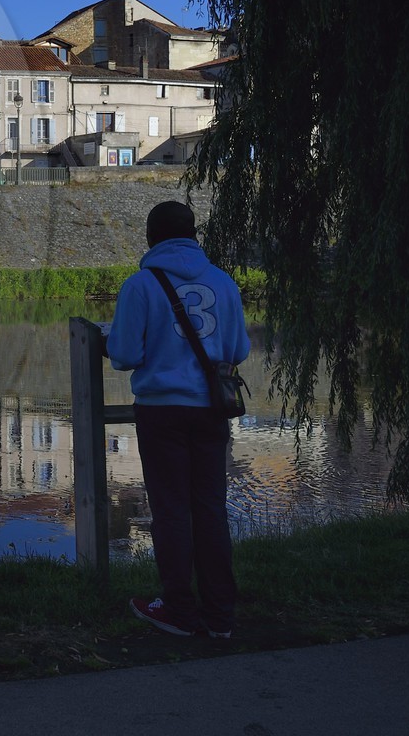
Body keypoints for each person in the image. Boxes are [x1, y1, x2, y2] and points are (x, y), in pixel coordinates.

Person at [106, 200, 250, 638]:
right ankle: (221, 615)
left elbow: (125, 355)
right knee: (210, 509)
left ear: (152, 238)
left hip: (162, 412)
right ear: (193, 236)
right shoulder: (224, 283)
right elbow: (239, 351)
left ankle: (179, 610)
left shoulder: (142, 285)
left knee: (171, 511)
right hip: (211, 410)